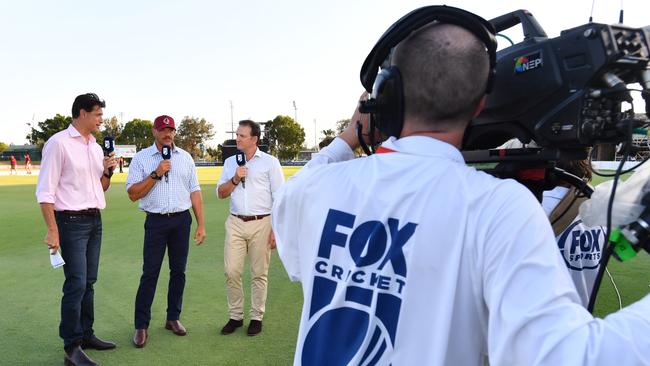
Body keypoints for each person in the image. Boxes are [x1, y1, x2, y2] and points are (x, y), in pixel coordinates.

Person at [271, 10, 650, 366]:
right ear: (480, 103)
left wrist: (352, 135)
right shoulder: (500, 207)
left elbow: (298, 196)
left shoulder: (317, 187)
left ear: (387, 94)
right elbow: (563, 356)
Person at [36, 93, 117, 366]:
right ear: (82, 113)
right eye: (97, 114)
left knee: (89, 283)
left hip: (95, 221)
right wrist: (52, 229)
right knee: (77, 283)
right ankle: (72, 347)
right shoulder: (58, 143)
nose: (101, 120)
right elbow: (45, 192)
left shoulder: (94, 146)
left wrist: (107, 171)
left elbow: (100, 187)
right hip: (70, 223)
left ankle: (86, 335)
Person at [126, 115, 206, 348]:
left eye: (170, 129)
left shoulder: (186, 158)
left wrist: (200, 223)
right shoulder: (142, 158)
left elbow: (195, 191)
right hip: (156, 222)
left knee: (178, 272)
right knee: (150, 274)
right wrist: (156, 173)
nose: (167, 134)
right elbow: (133, 194)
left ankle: (173, 318)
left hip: (181, 221)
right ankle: (141, 326)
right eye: (163, 130)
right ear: (154, 132)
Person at [216, 120, 284, 336]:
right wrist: (236, 177)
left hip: (262, 223)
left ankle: (256, 317)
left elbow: (280, 197)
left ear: (254, 139)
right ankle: (236, 316)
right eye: (237, 134)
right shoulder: (229, 163)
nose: (237, 138)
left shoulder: (270, 163)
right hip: (235, 222)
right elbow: (221, 193)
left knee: (259, 273)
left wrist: (276, 229)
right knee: (231, 271)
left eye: (242, 136)